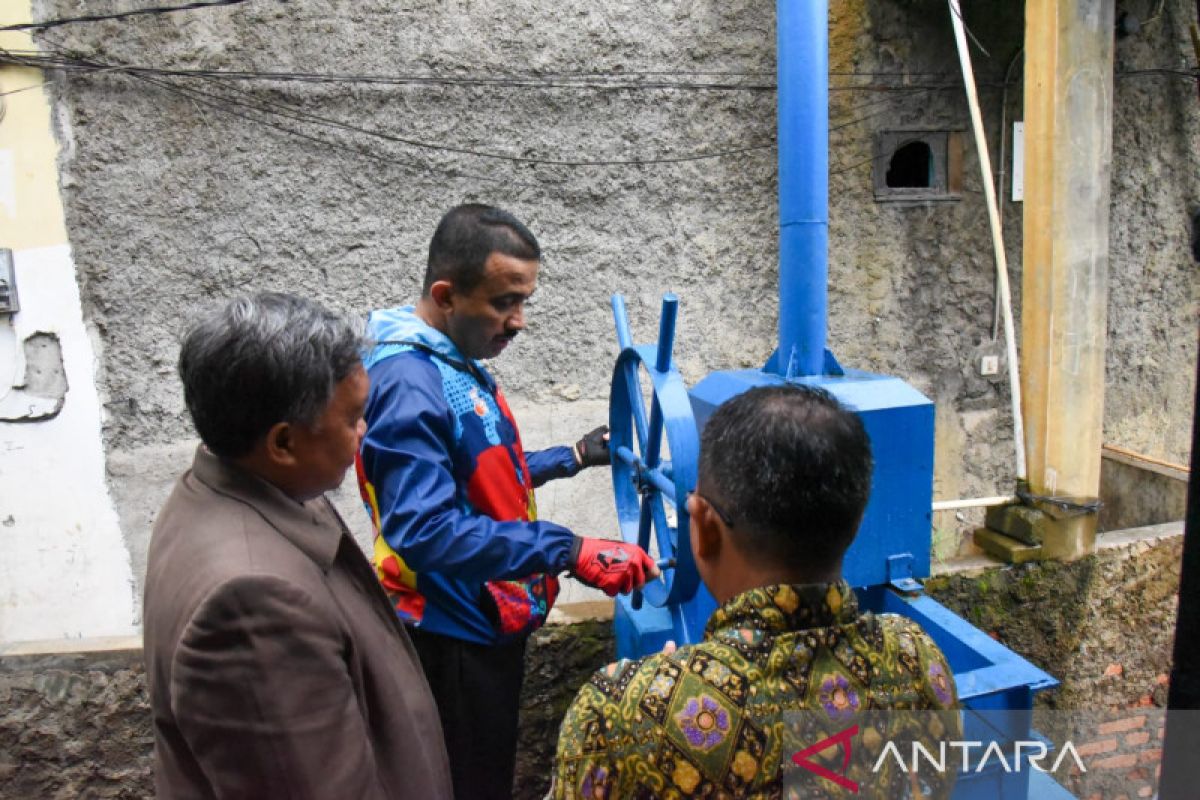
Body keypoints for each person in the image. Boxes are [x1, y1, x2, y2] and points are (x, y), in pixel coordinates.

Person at [357, 203, 656, 799]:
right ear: (445, 295)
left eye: (523, 302)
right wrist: (568, 550)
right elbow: (425, 530)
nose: (518, 321)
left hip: (486, 618)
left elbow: (478, 472)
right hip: (451, 634)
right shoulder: (408, 380)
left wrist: (569, 456)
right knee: (469, 783)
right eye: (502, 303)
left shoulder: (452, 363)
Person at [552, 384, 960, 798]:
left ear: (705, 527)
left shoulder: (616, 713)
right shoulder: (920, 660)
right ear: (854, 524)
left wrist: (658, 691)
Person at [144, 292, 452, 799]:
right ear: (282, 443)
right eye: (353, 416)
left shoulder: (238, 487)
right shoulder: (251, 601)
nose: (364, 431)